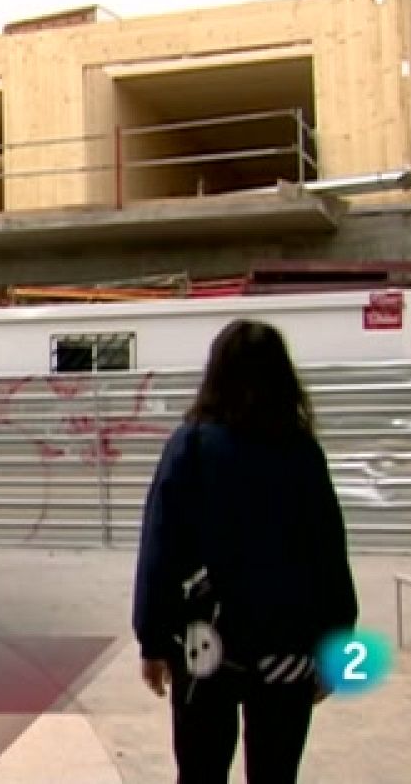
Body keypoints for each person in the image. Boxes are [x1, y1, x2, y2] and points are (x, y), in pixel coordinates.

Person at [132, 319, 358, 784]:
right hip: (287, 645)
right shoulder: (300, 453)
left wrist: (152, 640)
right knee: (276, 774)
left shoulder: (190, 447)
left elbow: (160, 549)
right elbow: (329, 554)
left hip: (205, 644)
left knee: (200, 771)